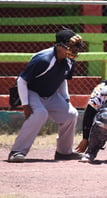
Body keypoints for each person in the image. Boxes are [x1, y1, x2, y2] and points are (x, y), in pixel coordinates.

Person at [8, 29, 84, 163]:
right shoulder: (44, 59)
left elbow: (62, 78)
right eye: (71, 46)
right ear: (59, 45)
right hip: (32, 91)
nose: (74, 50)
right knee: (40, 113)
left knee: (71, 114)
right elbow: (22, 80)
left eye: (76, 46)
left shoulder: (70, 61)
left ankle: (63, 152)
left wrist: (66, 99)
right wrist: (25, 104)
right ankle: (17, 151)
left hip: (50, 94)